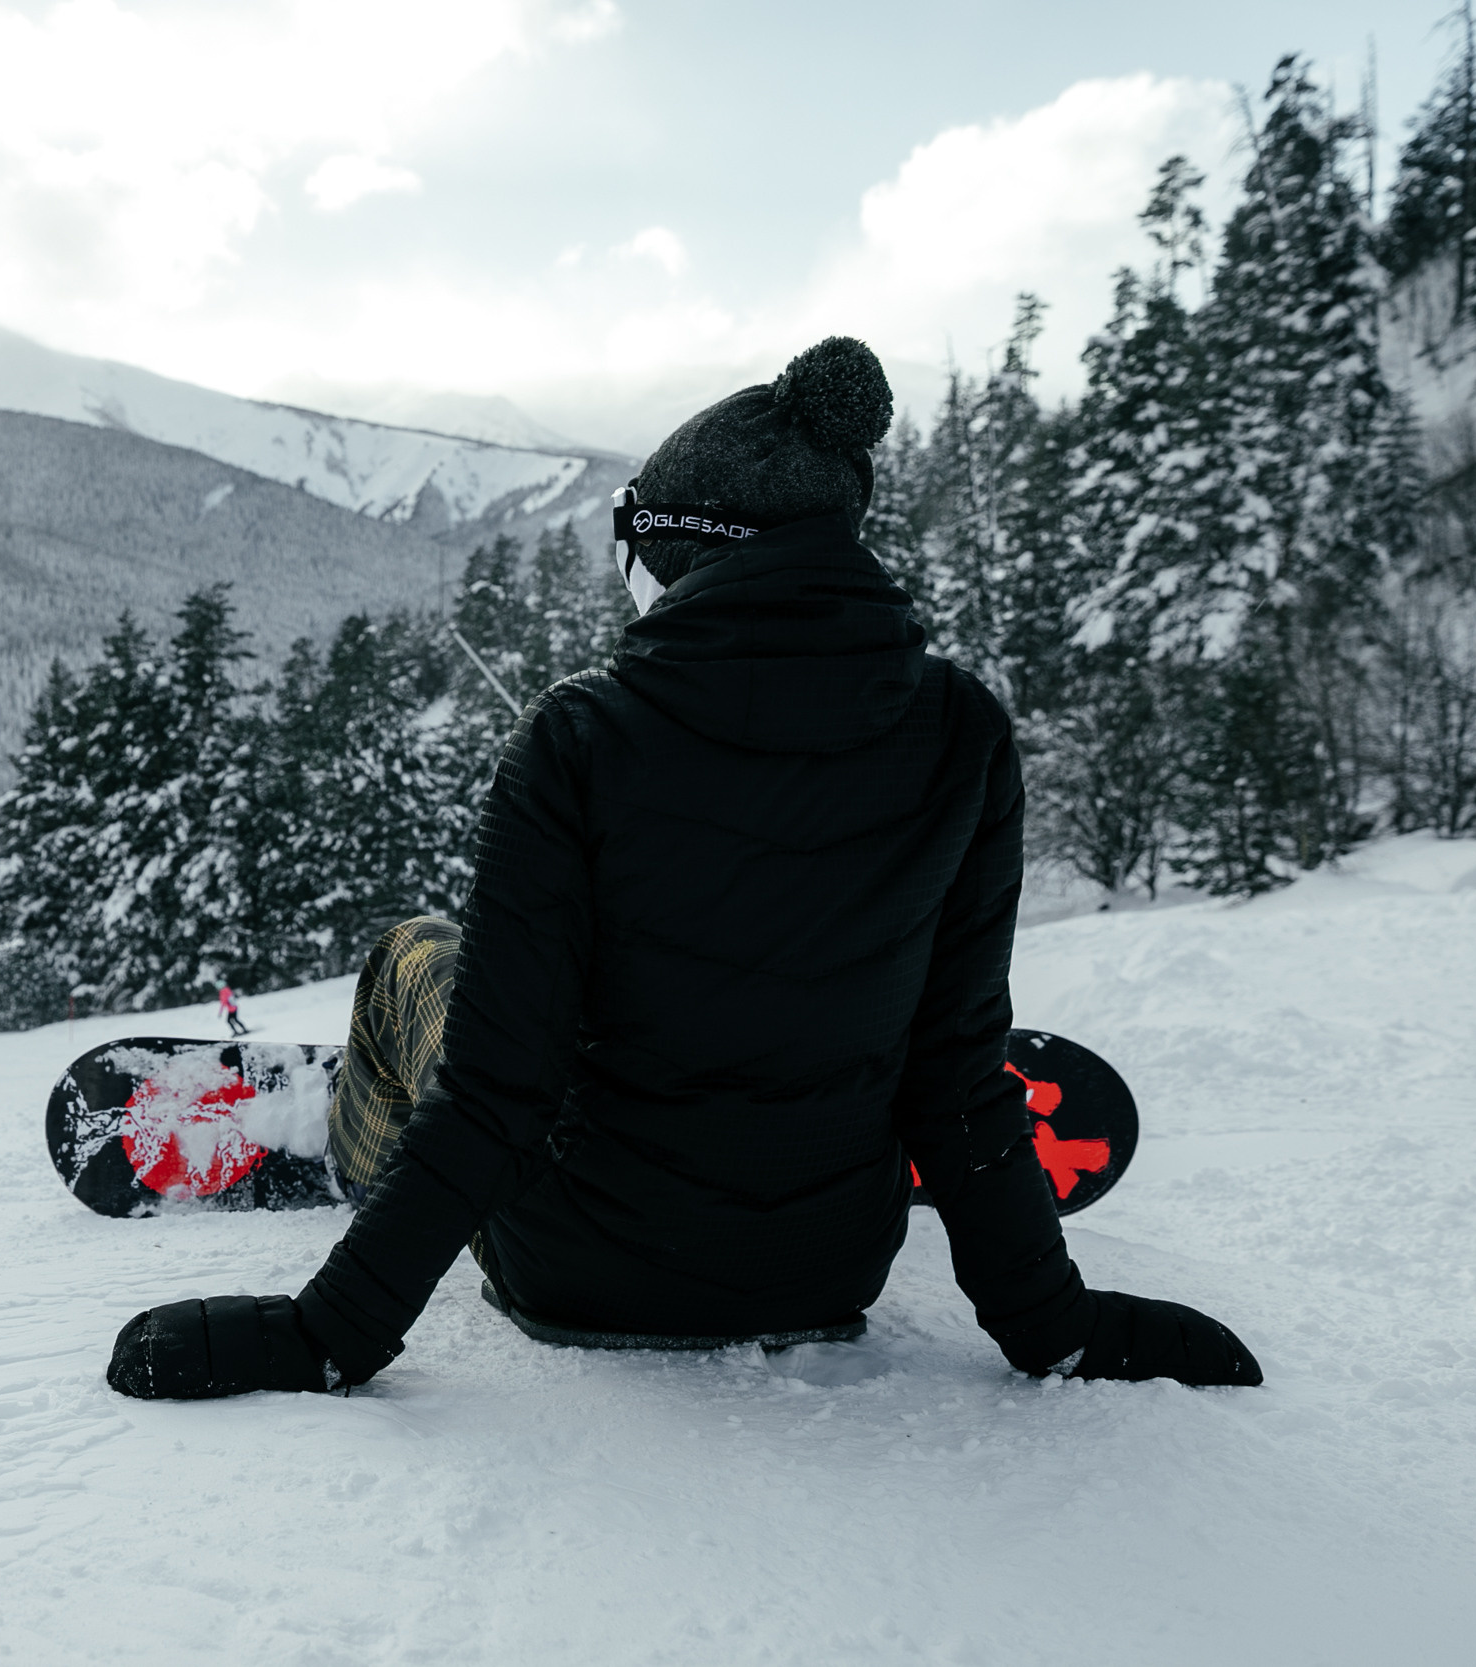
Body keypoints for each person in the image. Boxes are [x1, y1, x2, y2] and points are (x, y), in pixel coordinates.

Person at [107, 338, 1261, 1400]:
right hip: (826, 1270)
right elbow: (957, 1078)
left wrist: (330, 1330)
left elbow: (499, 1087)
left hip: (576, 1266)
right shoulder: (963, 732)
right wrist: (1051, 1324)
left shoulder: (579, 739)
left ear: (676, 552)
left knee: (416, 953)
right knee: (905, 1025)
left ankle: (351, 1140)